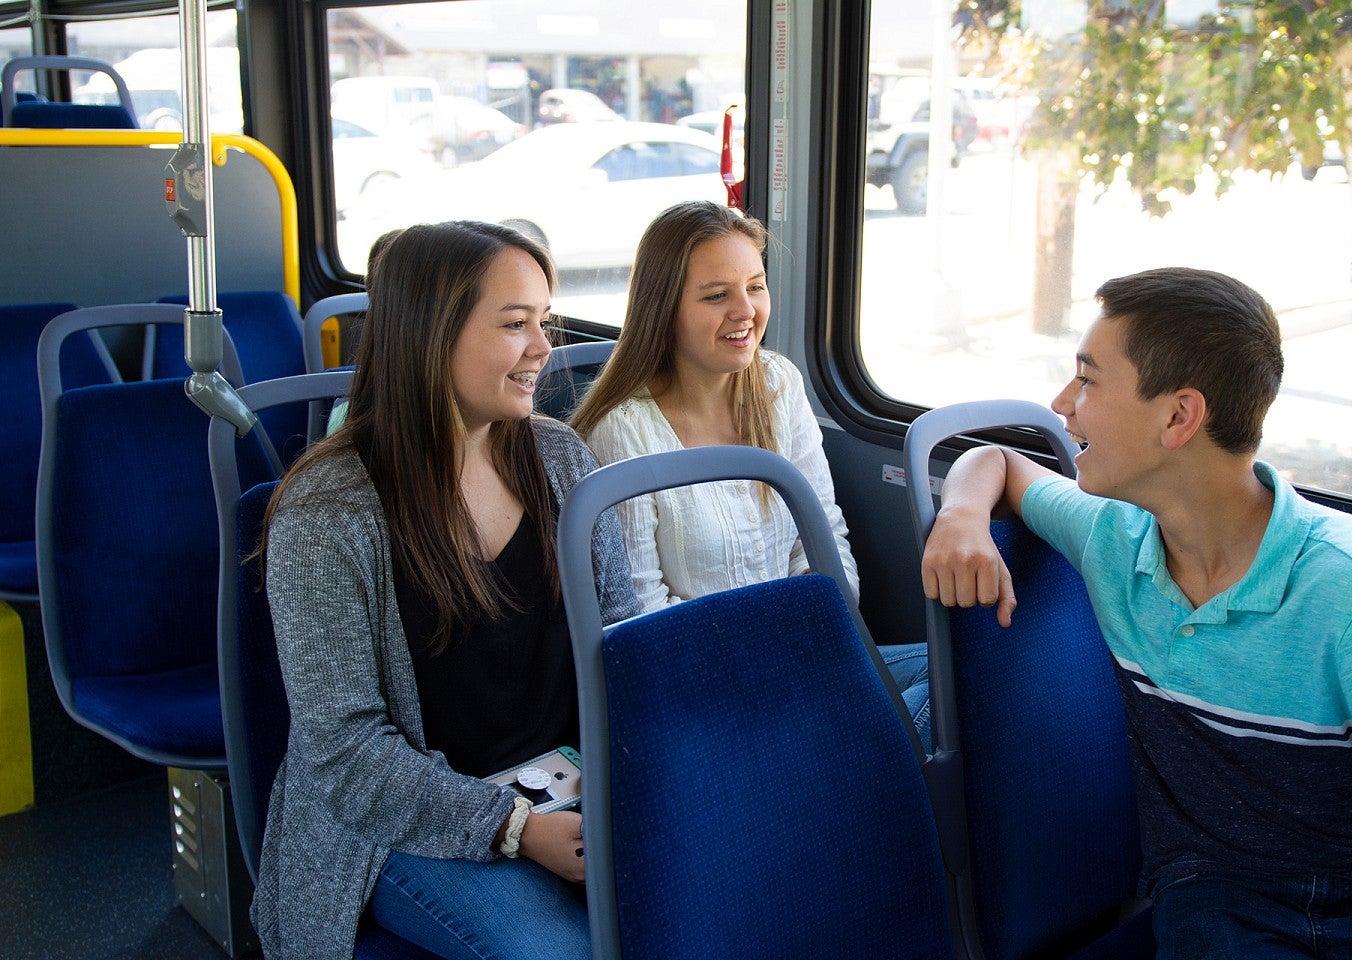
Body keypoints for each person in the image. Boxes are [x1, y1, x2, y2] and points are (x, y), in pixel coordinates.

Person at [921, 267, 1352, 958]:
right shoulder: (1114, 539)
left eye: (1088, 380)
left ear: (1178, 416)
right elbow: (999, 462)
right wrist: (960, 515)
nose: (1062, 404)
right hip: (1221, 899)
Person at [251, 220, 640, 960]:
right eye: (515, 324)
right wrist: (515, 828)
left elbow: (620, 640)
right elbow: (345, 751)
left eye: (543, 321)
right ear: (433, 335)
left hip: (568, 780)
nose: (543, 349)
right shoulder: (328, 512)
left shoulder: (560, 459)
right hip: (398, 825)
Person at [570, 199, 930, 750]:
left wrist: (810, 644)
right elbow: (640, 612)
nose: (745, 311)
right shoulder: (623, 431)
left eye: (755, 286)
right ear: (664, 308)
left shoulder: (778, 384)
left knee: (958, 678)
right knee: (881, 742)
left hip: (804, 656)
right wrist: (769, 661)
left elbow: (824, 539)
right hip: (706, 695)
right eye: (717, 295)